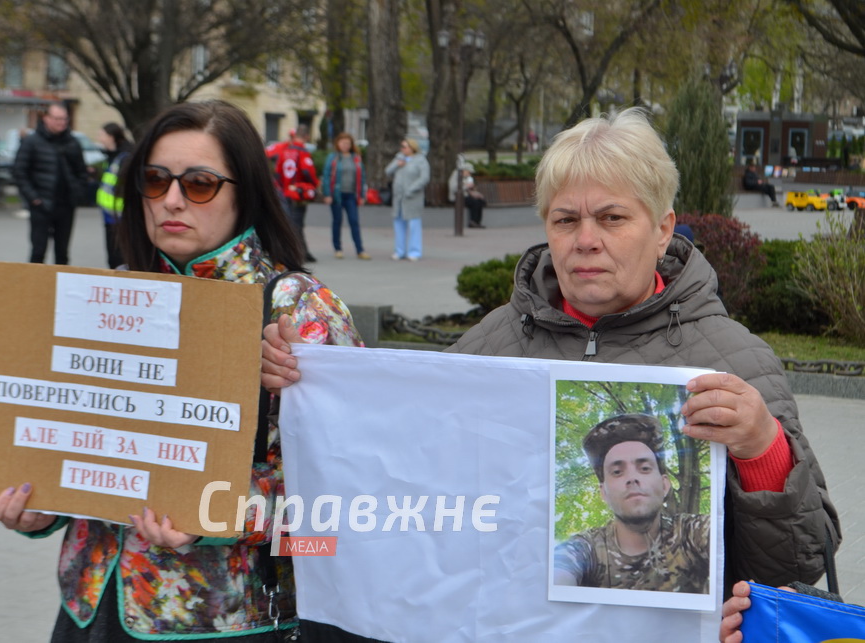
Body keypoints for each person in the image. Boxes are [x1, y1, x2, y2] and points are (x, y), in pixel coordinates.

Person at [262, 108, 840, 610]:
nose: (585, 239)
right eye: (566, 220)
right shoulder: (489, 344)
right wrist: (307, 389)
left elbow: (795, 569)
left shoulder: (735, 359)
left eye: (612, 218)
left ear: (662, 230)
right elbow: (399, 498)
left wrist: (764, 450)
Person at [0, 100, 363, 641]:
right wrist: (45, 507)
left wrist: (214, 518)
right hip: (92, 604)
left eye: (201, 184)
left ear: (245, 193)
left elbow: (344, 510)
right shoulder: (111, 293)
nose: (172, 201)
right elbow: (86, 448)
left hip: (220, 622)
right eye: (155, 180)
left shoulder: (297, 311)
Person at [553, 414, 709, 592]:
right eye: (618, 472)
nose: (632, 478)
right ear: (603, 492)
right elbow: (554, 576)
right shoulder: (586, 549)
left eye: (644, 468)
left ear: (665, 485)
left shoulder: (691, 533)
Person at [13, 102, 88, 264]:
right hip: (41, 205)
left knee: (62, 253)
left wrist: (78, 192)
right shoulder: (32, 142)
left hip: (66, 205)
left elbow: (82, 172)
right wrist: (33, 198)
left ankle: (60, 288)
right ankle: (35, 287)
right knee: (38, 251)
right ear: (46, 118)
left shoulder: (73, 143)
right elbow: (19, 172)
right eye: (57, 119)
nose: (61, 122)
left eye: (64, 119)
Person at [267, 125, 319, 263]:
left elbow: (277, 172)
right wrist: (314, 185)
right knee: (297, 224)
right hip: (298, 193)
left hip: (285, 192)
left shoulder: (285, 151)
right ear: (306, 136)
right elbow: (308, 171)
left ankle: (297, 251)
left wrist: (282, 188)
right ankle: (298, 253)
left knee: (289, 221)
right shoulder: (303, 152)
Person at [322, 132, 370, 260]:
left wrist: (362, 195)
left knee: (354, 221)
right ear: (338, 144)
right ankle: (338, 248)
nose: (345, 145)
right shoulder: (333, 158)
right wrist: (327, 193)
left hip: (351, 195)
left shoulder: (356, 158)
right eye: (343, 143)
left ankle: (360, 249)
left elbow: (362, 177)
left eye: (348, 143)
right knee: (337, 221)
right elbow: (326, 176)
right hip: (336, 195)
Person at [95, 122, 133, 268]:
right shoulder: (112, 155)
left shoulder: (125, 157)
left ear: (111, 137)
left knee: (119, 260)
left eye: (102, 135)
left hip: (120, 218)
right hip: (110, 216)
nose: (99, 138)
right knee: (113, 258)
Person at [385, 137, 430, 261]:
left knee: (414, 225)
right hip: (399, 198)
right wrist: (397, 164)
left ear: (412, 148)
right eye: (402, 146)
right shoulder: (399, 158)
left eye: (405, 147)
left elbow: (424, 178)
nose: (402, 149)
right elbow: (387, 171)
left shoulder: (421, 160)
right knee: (398, 224)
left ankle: (415, 251)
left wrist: (411, 189)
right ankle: (399, 251)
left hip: (412, 198)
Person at [448, 163, 486, 228]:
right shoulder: (456, 175)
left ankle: (477, 222)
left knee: (480, 201)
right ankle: (473, 222)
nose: (470, 174)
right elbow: (453, 188)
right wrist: (466, 186)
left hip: (465, 196)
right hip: (456, 198)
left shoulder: (465, 177)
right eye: (469, 172)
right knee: (475, 202)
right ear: (464, 170)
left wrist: (474, 192)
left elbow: (467, 190)